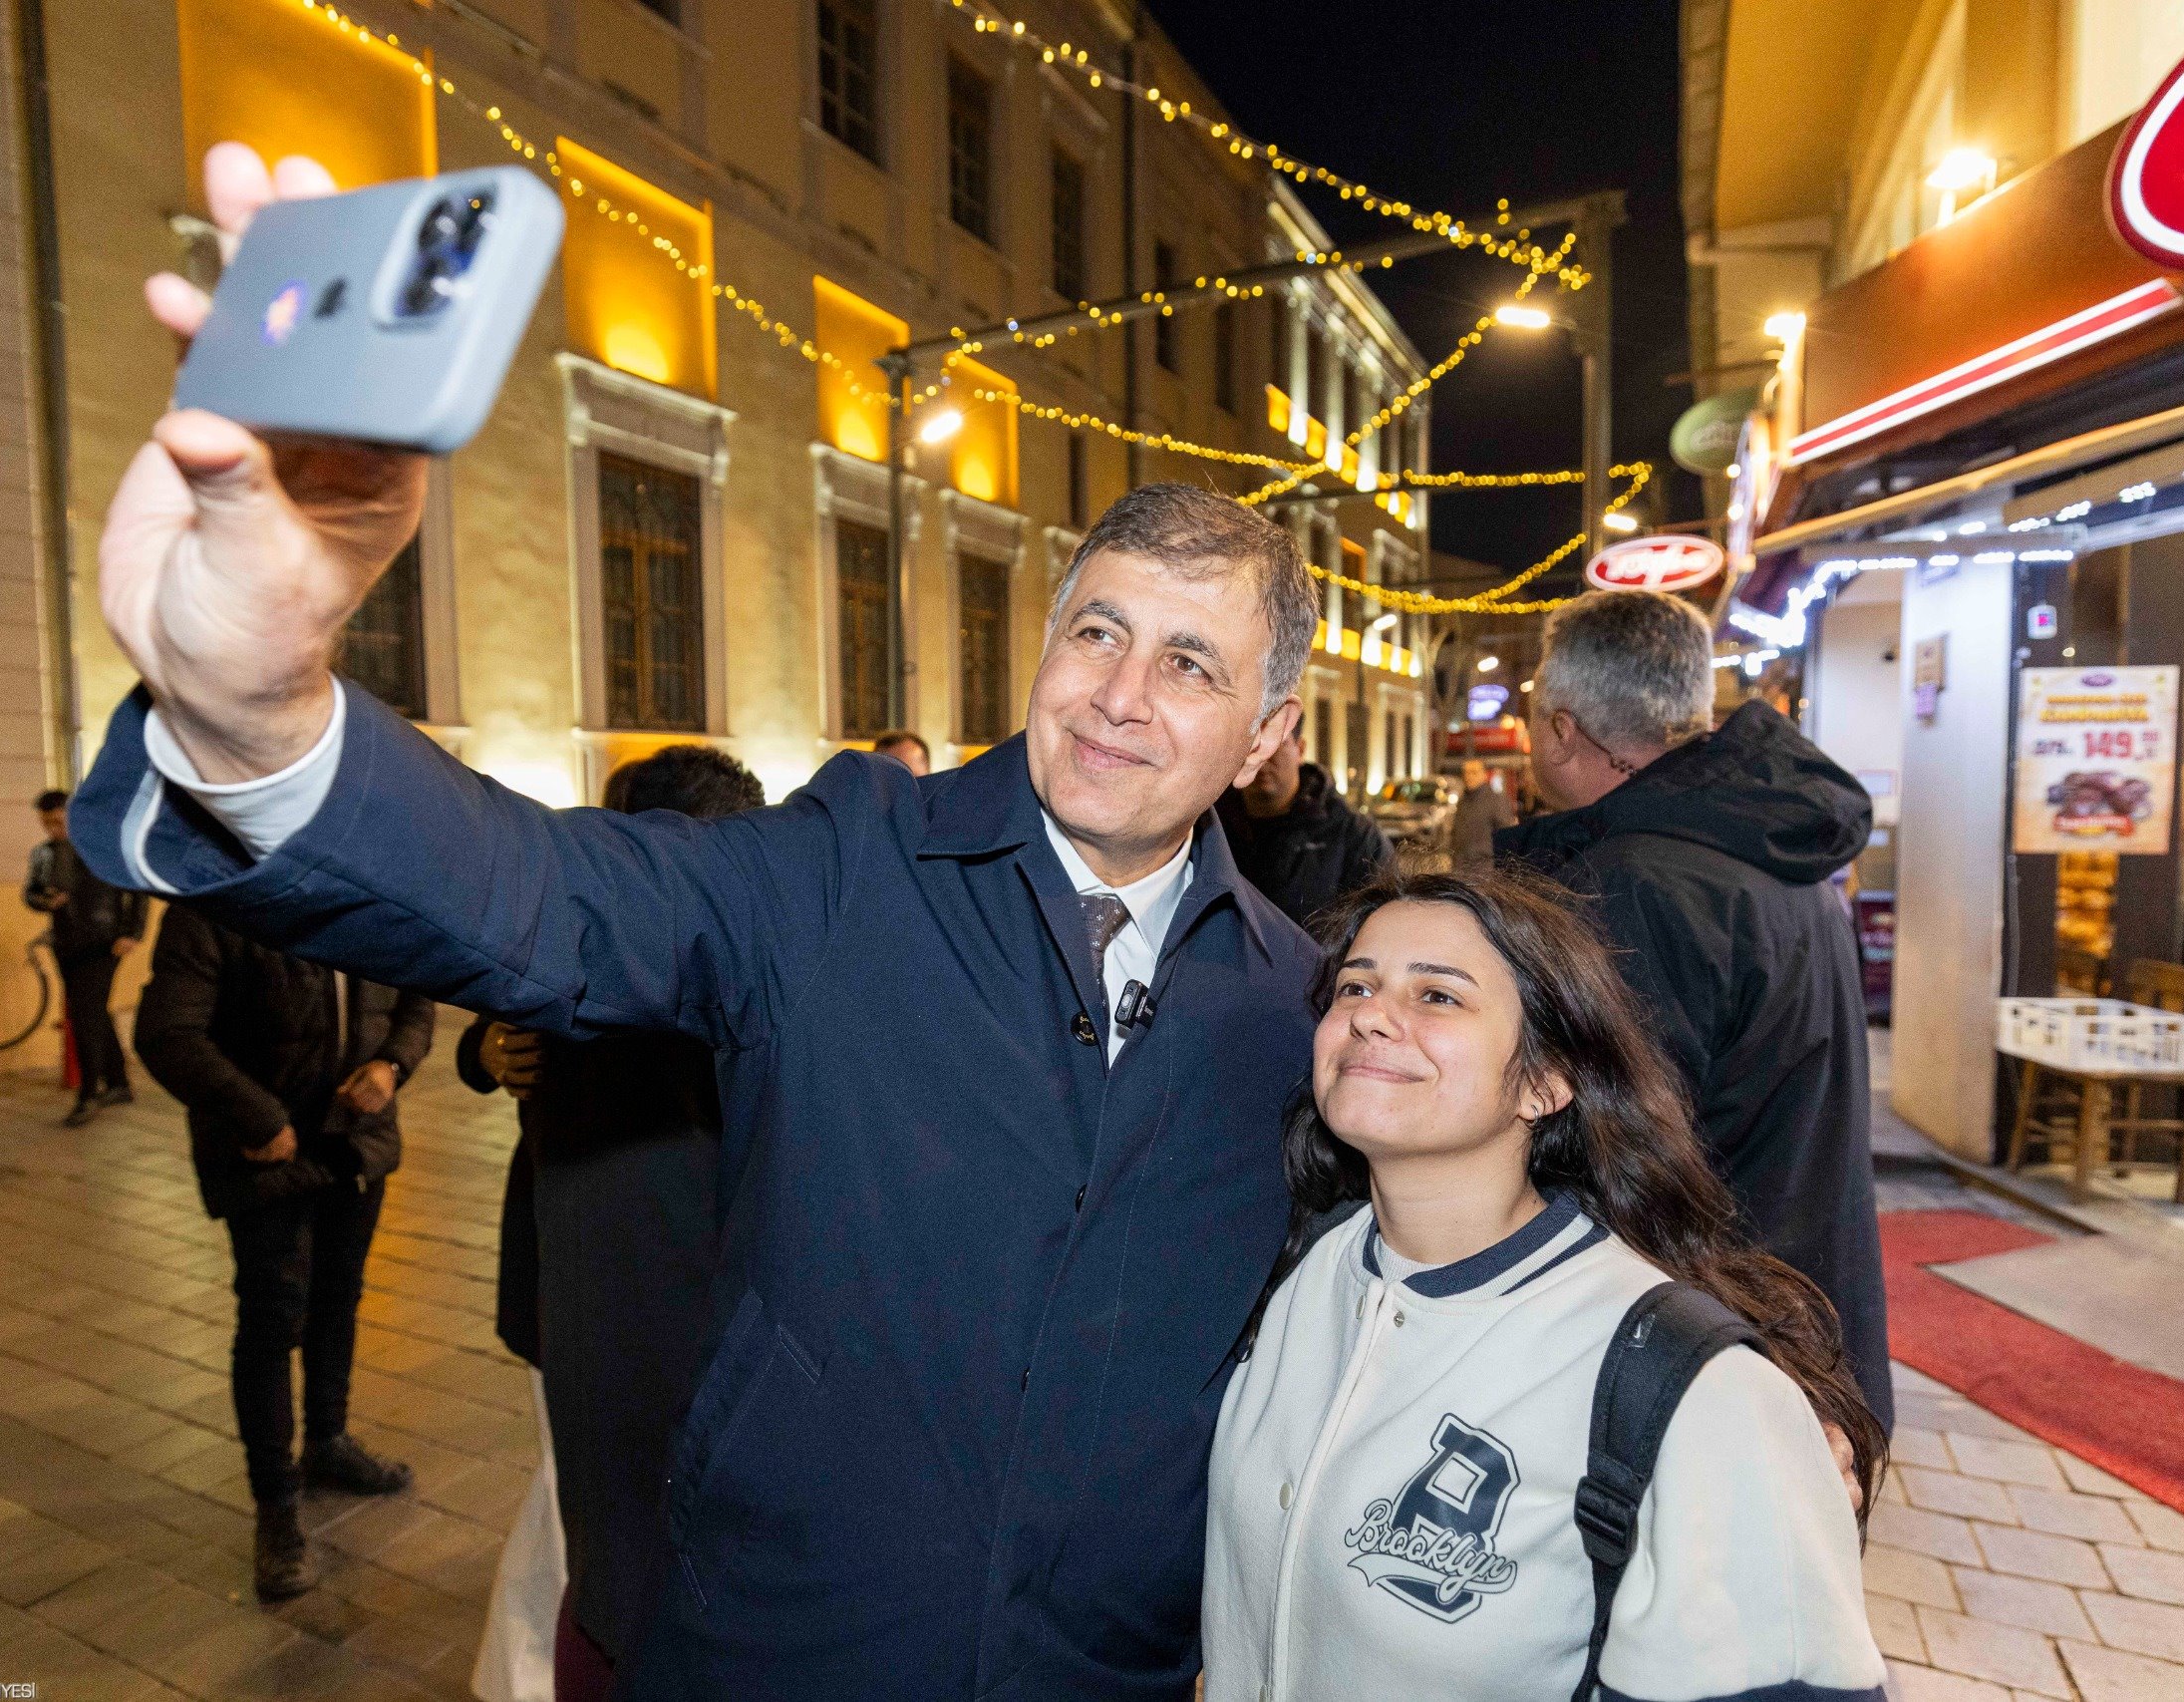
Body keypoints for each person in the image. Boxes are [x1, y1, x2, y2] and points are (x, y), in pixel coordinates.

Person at [77, 147, 1322, 1695]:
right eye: (1097, 631)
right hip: (774, 1650)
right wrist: (258, 710)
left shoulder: (1295, 1011)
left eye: (1191, 664)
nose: (1121, 694)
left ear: (1271, 734)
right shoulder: (846, 865)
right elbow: (548, 898)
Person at [1206, 868, 1887, 1702]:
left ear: (1546, 1081)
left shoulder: (1684, 1383)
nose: (1372, 1015)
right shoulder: (1295, 1271)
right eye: (1356, 985)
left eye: (1438, 995)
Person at [1502, 588, 1893, 1427]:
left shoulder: (1631, 883)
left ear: (1564, 729)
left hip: (1700, 1353)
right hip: (1802, 1323)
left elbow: (1609, 1155)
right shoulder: (1774, 849)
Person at [466, 743, 764, 1700]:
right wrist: (484, 1046)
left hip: (638, 1317)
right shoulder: (597, 950)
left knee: (593, 1535)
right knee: (593, 1544)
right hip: (606, 1305)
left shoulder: (716, 954)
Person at [133, 902, 436, 1603]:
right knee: (272, 1321)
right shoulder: (214, 904)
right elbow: (167, 1031)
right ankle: (276, 1506)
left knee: (339, 1297)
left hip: (355, 1141)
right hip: (267, 1152)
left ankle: (328, 1441)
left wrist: (392, 1064)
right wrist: (256, 1115)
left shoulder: (366, 890)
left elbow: (418, 994)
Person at [24, 787, 150, 1126]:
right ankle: (119, 1083)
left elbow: (137, 888)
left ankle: (89, 1093)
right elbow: (30, 893)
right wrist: (45, 901)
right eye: (47, 824)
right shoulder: (44, 854)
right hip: (66, 943)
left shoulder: (103, 846)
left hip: (104, 943)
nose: (54, 829)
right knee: (92, 1012)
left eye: (58, 821)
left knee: (84, 1016)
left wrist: (132, 932)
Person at [1213, 721, 1396, 926]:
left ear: (1300, 749)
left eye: (1276, 743)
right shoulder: (1206, 828)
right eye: (1251, 743)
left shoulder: (1357, 837)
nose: (1262, 757)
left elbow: (1382, 925)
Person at [1445, 756, 1515, 870]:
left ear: (1484, 775)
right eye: (1466, 772)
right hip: (1461, 866)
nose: (1469, 776)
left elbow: (1506, 835)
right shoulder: (1463, 801)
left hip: (1484, 867)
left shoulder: (1496, 800)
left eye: (1474, 772)